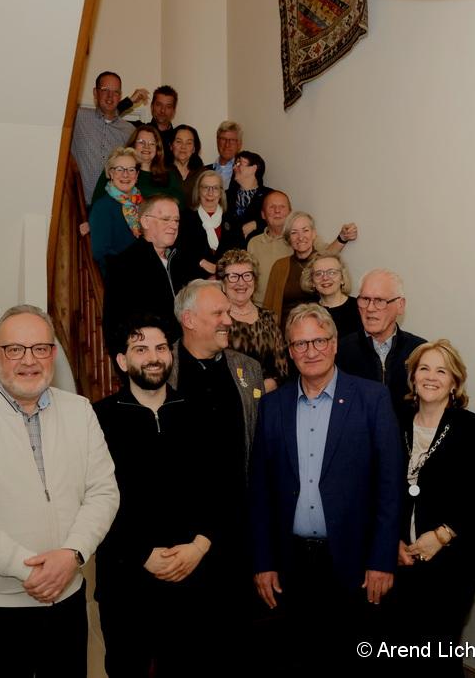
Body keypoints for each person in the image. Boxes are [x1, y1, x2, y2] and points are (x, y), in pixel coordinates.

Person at [0, 305, 119, 678]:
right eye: (15, 349)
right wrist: (27, 570)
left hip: (67, 600)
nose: (29, 360)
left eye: (40, 348)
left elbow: (103, 492)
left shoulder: (80, 411)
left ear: (53, 354)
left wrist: (72, 554)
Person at [249, 303, 405, 675]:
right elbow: (260, 492)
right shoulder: (272, 406)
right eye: (300, 344)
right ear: (289, 351)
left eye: (319, 340)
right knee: (298, 658)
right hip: (292, 564)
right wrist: (264, 562)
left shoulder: (372, 398)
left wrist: (382, 560)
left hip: (354, 563)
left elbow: (390, 486)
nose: (311, 351)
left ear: (334, 344)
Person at [94, 312, 218, 677]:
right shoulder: (97, 419)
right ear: (122, 360)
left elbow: (221, 487)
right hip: (125, 582)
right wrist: (140, 554)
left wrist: (200, 545)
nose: (154, 357)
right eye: (141, 349)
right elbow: (91, 501)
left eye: (161, 348)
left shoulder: (200, 412)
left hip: (192, 575)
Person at [170, 280, 265, 664]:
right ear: (189, 319)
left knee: (236, 642)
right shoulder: (162, 368)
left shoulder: (248, 370)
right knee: (186, 648)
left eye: (228, 312)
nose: (228, 320)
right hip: (181, 540)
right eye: (219, 313)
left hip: (237, 536)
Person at [385, 340, 475, 678]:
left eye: (441, 371)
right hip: (401, 560)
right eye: (424, 369)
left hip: (451, 562)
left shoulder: (470, 426)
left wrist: (442, 535)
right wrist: (393, 540)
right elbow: (383, 486)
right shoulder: (396, 421)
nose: (431, 377)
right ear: (413, 378)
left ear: (454, 382)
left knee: (439, 654)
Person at [336, 268, 426, 418]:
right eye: (365, 299)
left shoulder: (420, 352)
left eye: (379, 301)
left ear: (400, 305)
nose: (370, 308)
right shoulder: (340, 351)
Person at [103, 194, 193, 342]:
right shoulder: (124, 264)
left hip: (187, 348)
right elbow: (114, 325)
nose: (174, 225)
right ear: (145, 221)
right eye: (166, 219)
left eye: (176, 220)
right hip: (151, 351)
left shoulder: (182, 261)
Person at [247, 191, 357, 304]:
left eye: (282, 207)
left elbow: (327, 255)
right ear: (263, 214)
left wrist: (342, 238)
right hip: (265, 306)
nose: (277, 211)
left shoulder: (310, 241)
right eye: (272, 207)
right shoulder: (254, 244)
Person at [218, 249, 289, 393]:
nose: (241, 282)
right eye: (233, 276)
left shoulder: (269, 317)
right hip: (230, 397)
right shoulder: (217, 320)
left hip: (269, 397)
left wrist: (260, 390)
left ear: (254, 281)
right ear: (223, 284)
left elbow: (282, 370)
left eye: (247, 275)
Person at [71, 71, 135, 204]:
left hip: (111, 206)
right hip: (78, 206)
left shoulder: (129, 131)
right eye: (105, 90)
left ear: (120, 96)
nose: (110, 96)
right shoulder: (78, 118)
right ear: (95, 92)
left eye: (115, 92)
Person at [89, 124, 183, 207]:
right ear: (133, 145)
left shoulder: (169, 175)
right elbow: (97, 203)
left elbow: (181, 206)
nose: (146, 146)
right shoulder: (115, 169)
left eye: (152, 143)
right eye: (141, 142)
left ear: (157, 148)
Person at [179, 170, 244, 280]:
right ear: (198, 191)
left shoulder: (232, 219)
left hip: (227, 279)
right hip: (194, 280)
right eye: (205, 187)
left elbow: (240, 252)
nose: (210, 193)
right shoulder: (185, 218)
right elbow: (181, 251)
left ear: (221, 193)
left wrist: (220, 272)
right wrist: (201, 262)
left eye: (215, 188)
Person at [262, 211, 321, 329]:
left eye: (305, 230)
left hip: (318, 329)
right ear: (288, 238)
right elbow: (268, 307)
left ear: (314, 234)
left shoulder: (324, 263)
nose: (300, 237)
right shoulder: (279, 266)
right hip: (285, 332)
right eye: (294, 232)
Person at [88, 147, 142, 275]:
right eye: (119, 169)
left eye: (131, 170)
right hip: (120, 276)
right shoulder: (102, 207)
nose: (125, 175)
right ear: (111, 173)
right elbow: (101, 253)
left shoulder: (143, 204)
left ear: (137, 175)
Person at [300, 250, 362, 339]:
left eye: (332, 272)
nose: (325, 278)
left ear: (342, 278)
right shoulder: (307, 312)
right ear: (312, 281)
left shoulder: (360, 308)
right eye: (318, 274)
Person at [226, 151, 270, 242]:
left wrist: (256, 224)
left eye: (239, 163)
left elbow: (280, 221)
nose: (234, 167)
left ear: (253, 168)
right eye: (235, 164)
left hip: (257, 248)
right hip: (229, 248)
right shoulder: (226, 195)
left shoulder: (269, 196)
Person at [169, 124, 206, 203]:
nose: (183, 147)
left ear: (194, 148)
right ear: (171, 146)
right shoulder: (161, 171)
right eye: (179, 142)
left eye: (189, 143)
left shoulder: (203, 174)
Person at [210, 120, 243, 188]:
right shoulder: (204, 171)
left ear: (239, 144)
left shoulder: (245, 172)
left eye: (232, 140)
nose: (227, 145)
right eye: (223, 139)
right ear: (217, 141)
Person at [147, 85, 179, 152]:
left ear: (174, 111)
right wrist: (130, 101)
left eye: (168, 107)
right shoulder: (138, 130)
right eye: (159, 105)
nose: (162, 110)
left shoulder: (178, 139)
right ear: (152, 107)